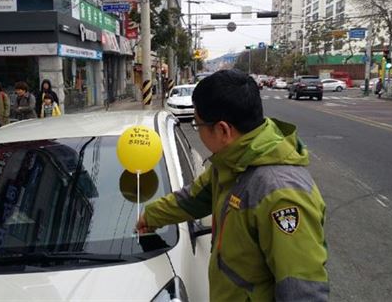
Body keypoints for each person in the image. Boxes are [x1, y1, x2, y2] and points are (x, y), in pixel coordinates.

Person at [136, 69, 329, 301]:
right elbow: (194, 199)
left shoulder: (281, 194)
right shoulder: (231, 162)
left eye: (198, 126)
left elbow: (303, 291)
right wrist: (150, 216)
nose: (198, 131)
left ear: (223, 130)